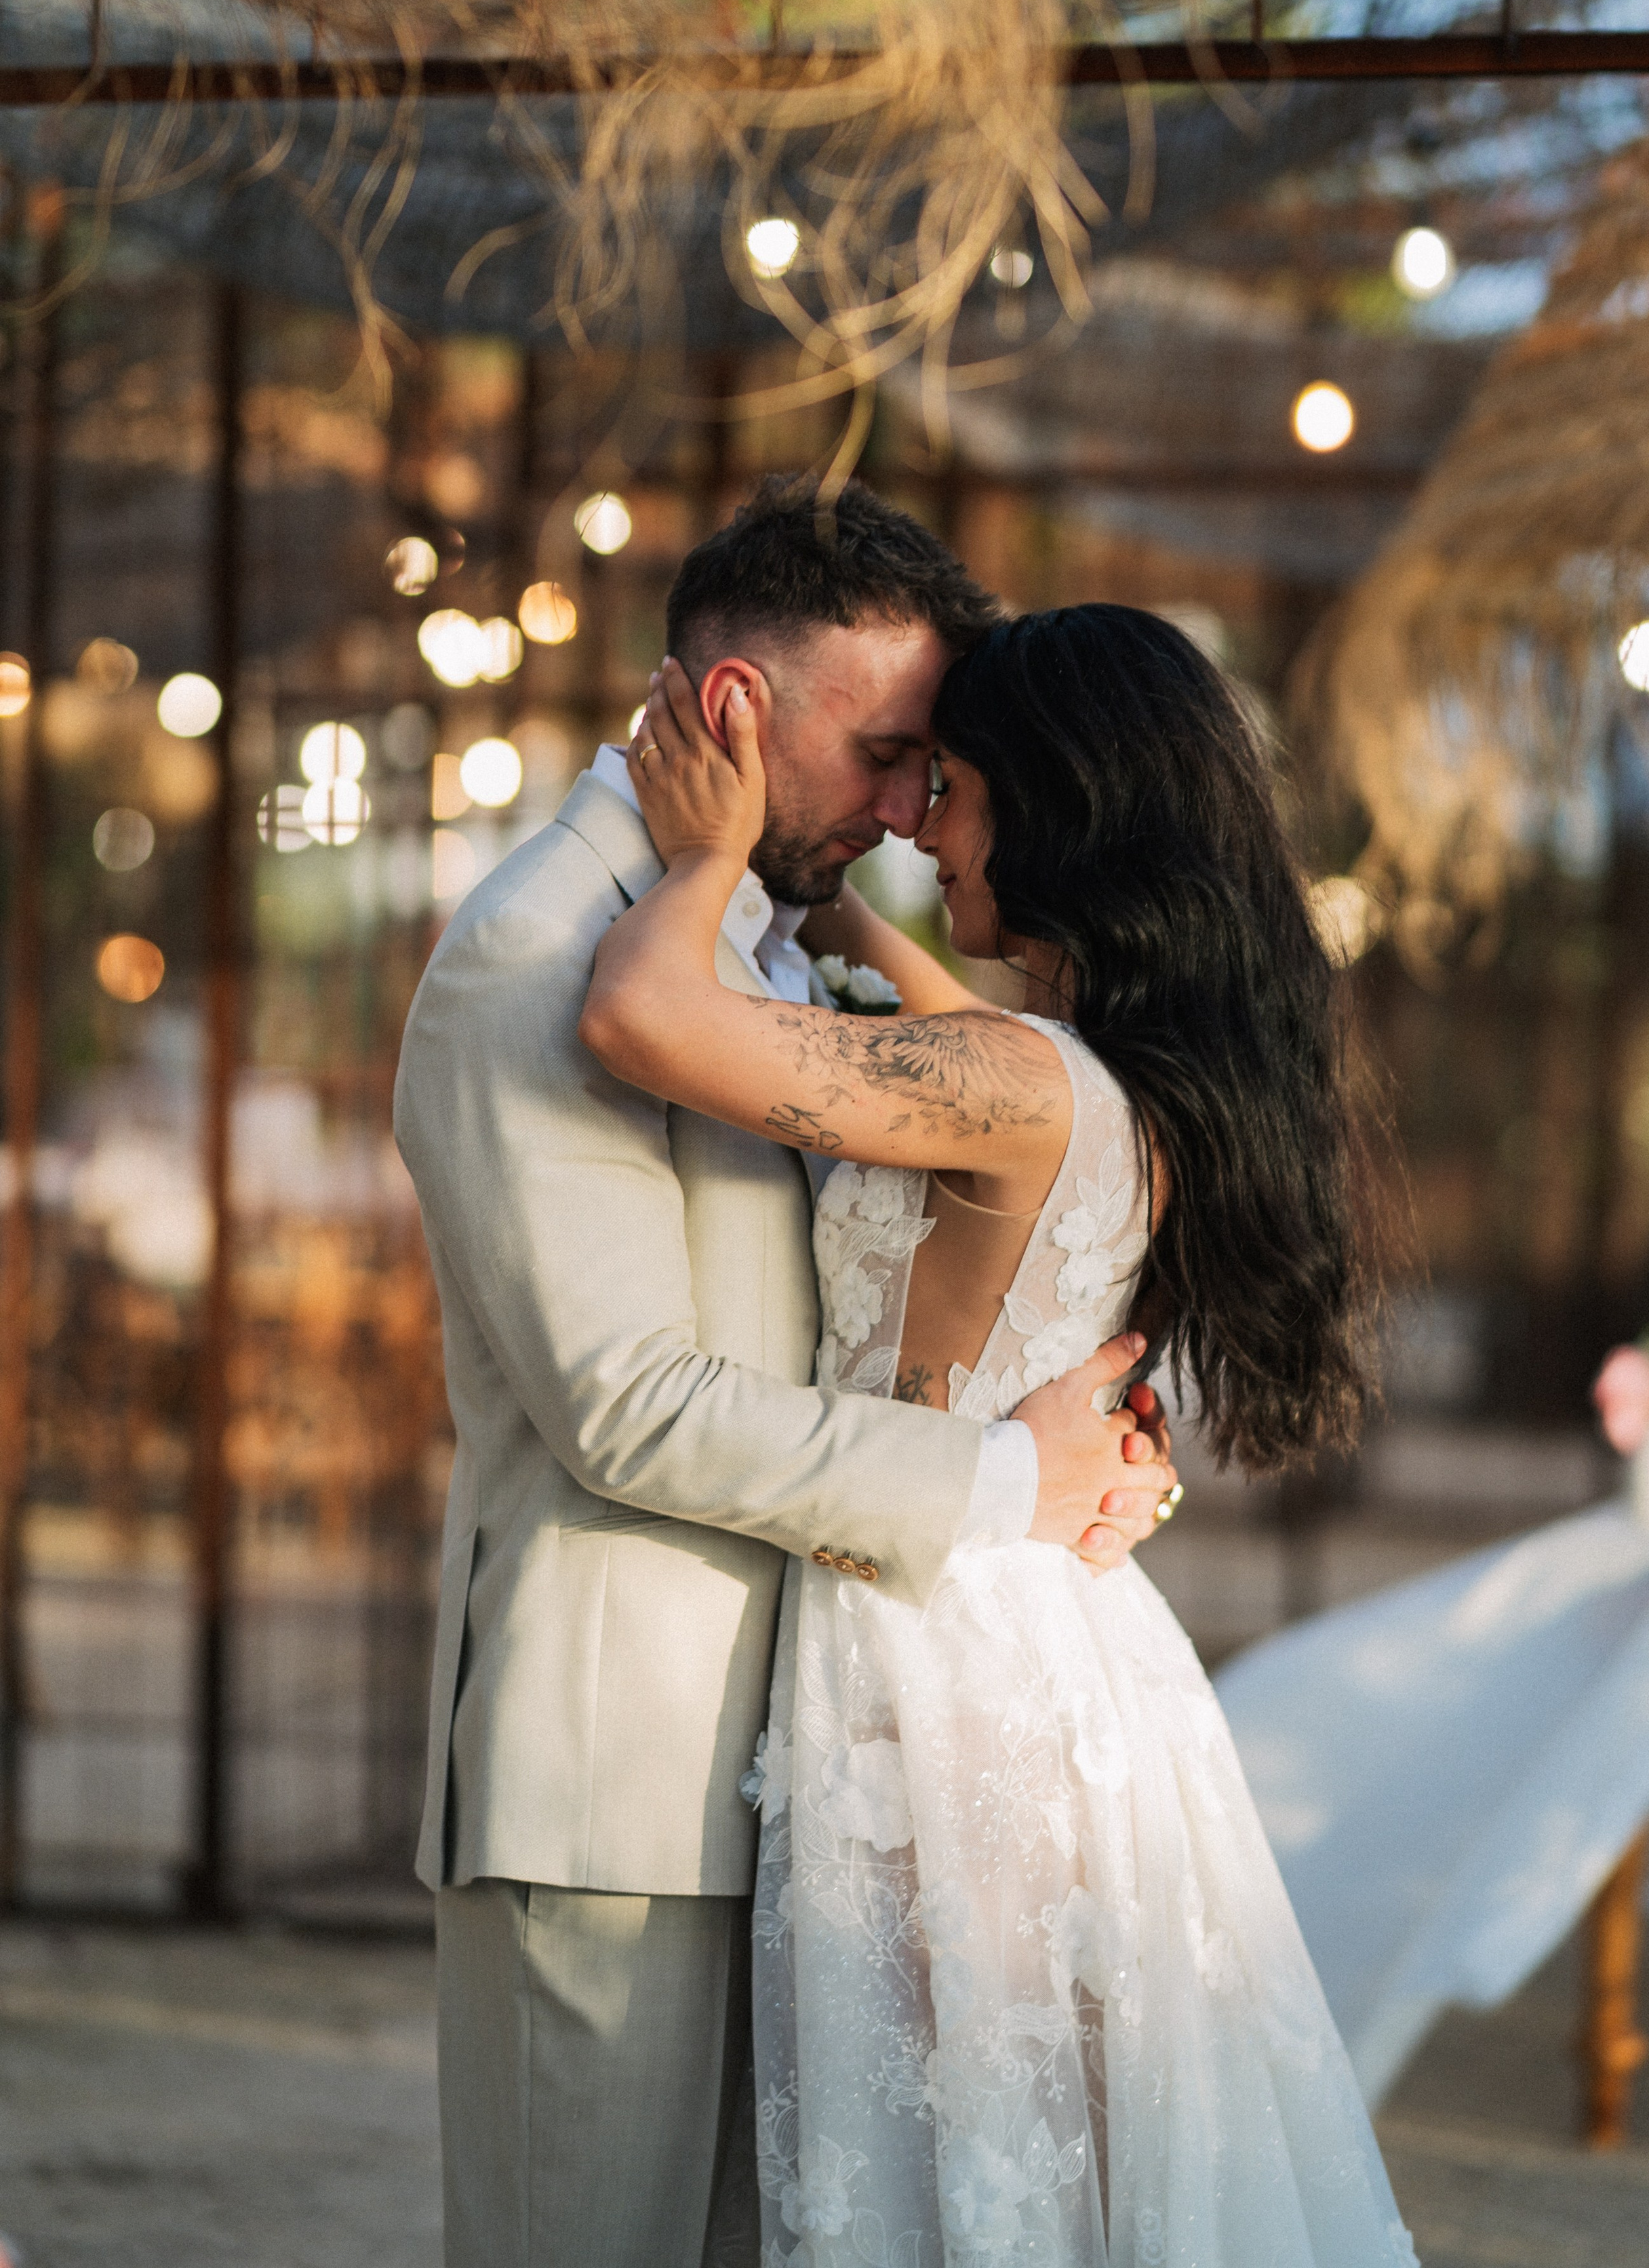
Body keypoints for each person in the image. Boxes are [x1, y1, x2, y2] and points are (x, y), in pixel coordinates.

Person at [393, 481, 1178, 2268]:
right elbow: (630, 1406)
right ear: (735, 713)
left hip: (802, 1778)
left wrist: (1063, 1404)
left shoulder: (761, 941)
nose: (913, 809)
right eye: (888, 752)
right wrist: (1005, 1488)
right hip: (614, 1798)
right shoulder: (530, 968)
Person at [582, 599, 1418, 2265]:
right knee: (1038, 2162)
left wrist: (706, 860)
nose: (916, 825)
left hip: (941, 1661)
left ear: (1057, 812)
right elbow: (935, 1043)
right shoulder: (1116, 1070)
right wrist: (840, 931)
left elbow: (640, 1022)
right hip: (1049, 1635)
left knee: (969, 2170)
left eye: (948, 788)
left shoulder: (1011, 1083)